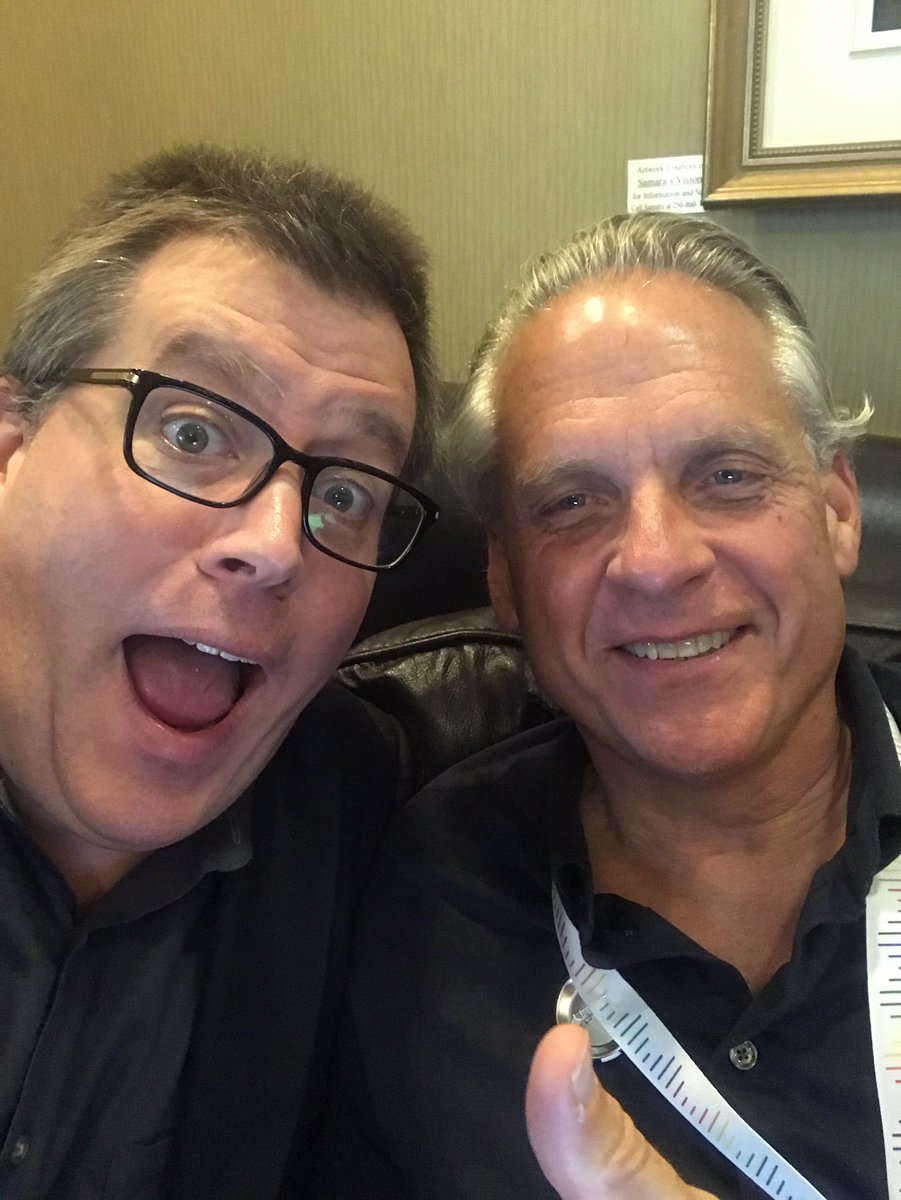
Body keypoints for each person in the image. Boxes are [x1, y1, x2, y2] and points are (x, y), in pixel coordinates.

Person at [324, 212, 899, 1199]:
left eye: (726, 476)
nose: (657, 561)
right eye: (572, 504)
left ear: (837, 510)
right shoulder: (423, 895)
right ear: (504, 578)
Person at [0, 143, 440, 1199]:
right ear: (11, 447)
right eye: (193, 431)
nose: (277, 544)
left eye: (345, 493)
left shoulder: (369, 813)